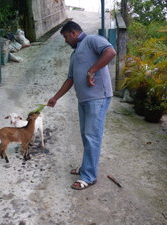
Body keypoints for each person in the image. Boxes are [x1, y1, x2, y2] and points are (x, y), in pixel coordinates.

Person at [47, 21, 116, 190]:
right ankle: (87, 167)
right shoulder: (75, 53)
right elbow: (70, 79)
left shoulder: (92, 40)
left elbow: (111, 52)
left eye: (65, 37)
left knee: (92, 137)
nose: (65, 41)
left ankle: (89, 176)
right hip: (84, 100)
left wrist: (92, 70)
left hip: (98, 98)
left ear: (73, 33)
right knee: (87, 136)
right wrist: (55, 98)